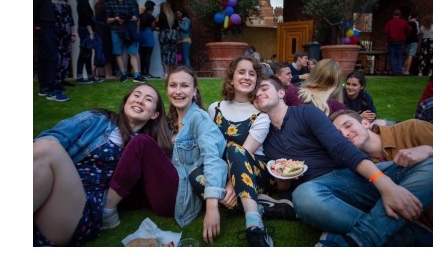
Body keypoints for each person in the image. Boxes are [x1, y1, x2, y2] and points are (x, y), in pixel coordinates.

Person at [253, 75, 433, 247]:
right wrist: (282, 179)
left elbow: (341, 148)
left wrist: (385, 184)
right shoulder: (264, 138)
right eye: (255, 94)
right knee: (303, 196)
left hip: (349, 178)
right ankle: (407, 236)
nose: (259, 94)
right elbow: (284, 188)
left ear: (282, 93)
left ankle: (360, 239)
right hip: (317, 192)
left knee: (428, 165)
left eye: (264, 88)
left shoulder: (307, 113)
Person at [103, 66, 230, 244]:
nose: (178, 91)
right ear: (167, 90)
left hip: (180, 196)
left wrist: (212, 207)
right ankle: (98, 203)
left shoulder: (199, 119)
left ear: (194, 91)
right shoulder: (168, 121)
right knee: (113, 191)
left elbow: (213, 159)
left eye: (184, 86)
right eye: (173, 85)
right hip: (158, 191)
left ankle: (106, 213)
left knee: (142, 143)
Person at [33, 83, 172, 246]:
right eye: (136, 95)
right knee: (46, 145)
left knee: (47, 147)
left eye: (148, 99)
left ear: (155, 114)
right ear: (126, 101)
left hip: (83, 211)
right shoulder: (96, 120)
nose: (140, 101)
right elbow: (55, 136)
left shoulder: (145, 148)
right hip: (51, 191)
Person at [208, 55, 295, 247]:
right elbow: (211, 150)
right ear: (231, 78)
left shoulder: (260, 116)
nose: (247, 77)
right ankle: (264, 204)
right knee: (196, 175)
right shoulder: (215, 108)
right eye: (241, 72)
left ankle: (254, 224)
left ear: (257, 80)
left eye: (252, 74)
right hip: (224, 172)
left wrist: (230, 186)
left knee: (234, 149)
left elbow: (245, 152)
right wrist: (218, 181)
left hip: (256, 171)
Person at [329, 109, 433, 246]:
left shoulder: (412, 128)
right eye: (339, 135)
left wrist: (428, 150)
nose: (345, 134)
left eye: (348, 126)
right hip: (413, 228)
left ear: (365, 123)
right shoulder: (360, 170)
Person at [34, 0, 69, 101]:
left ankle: (44, 88)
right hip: (45, 26)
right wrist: (37, 25)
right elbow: (34, 5)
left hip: (44, 26)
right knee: (51, 58)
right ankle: (51, 91)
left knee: (44, 58)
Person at [105, 0, 146, 83]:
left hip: (129, 30)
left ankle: (137, 74)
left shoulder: (131, 1)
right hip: (116, 30)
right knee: (118, 53)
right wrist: (116, 18)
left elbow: (136, 17)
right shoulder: (110, 3)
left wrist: (125, 18)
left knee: (132, 52)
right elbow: (107, 19)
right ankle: (123, 74)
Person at [75, 0, 103, 84]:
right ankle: (80, 77)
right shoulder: (83, 2)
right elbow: (85, 18)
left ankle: (90, 76)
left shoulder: (84, 2)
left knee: (87, 54)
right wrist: (90, 32)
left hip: (86, 30)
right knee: (84, 53)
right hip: (85, 31)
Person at [50, 0, 75, 87]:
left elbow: (70, 20)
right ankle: (55, 81)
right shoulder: (50, 2)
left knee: (66, 57)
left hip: (66, 34)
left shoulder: (66, 4)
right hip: (55, 34)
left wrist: (72, 33)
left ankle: (62, 79)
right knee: (57, 57)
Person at [94, 0, 116, 79]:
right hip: (105, 31)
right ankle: (108, 74)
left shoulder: (97, 5)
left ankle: (93, 72)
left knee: (99, 52)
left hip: (98, 30)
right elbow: (107, 20)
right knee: (107, 52)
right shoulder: (107, 6)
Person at [383, 9, 412, 76]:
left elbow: (385, 31)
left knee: (392, 57)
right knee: (400, 57)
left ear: (393, 15)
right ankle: (399, 70)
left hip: (392, 41)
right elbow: (409, 29)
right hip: (400, 41)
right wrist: (405, 35)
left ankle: (394, 71)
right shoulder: (403, 22)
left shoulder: (389, 22)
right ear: (400, 15)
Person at [156, 2, 179, 78]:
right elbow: (177, 27)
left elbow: (158, 27)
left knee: (164, 53)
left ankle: (166, 73)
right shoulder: (174, 15)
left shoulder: (161, 15)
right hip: (173, 35)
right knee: (173, 53)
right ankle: (172, 73)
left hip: (164, 34)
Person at [138, 0, 156, 78]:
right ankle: (147, 72)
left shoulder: (140, 16)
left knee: (142, 55)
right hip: (148, 34)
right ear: (151, 9)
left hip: (141, 34)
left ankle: (142, 72)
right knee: (148, 56)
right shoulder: (152, 17)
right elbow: (153, 27)